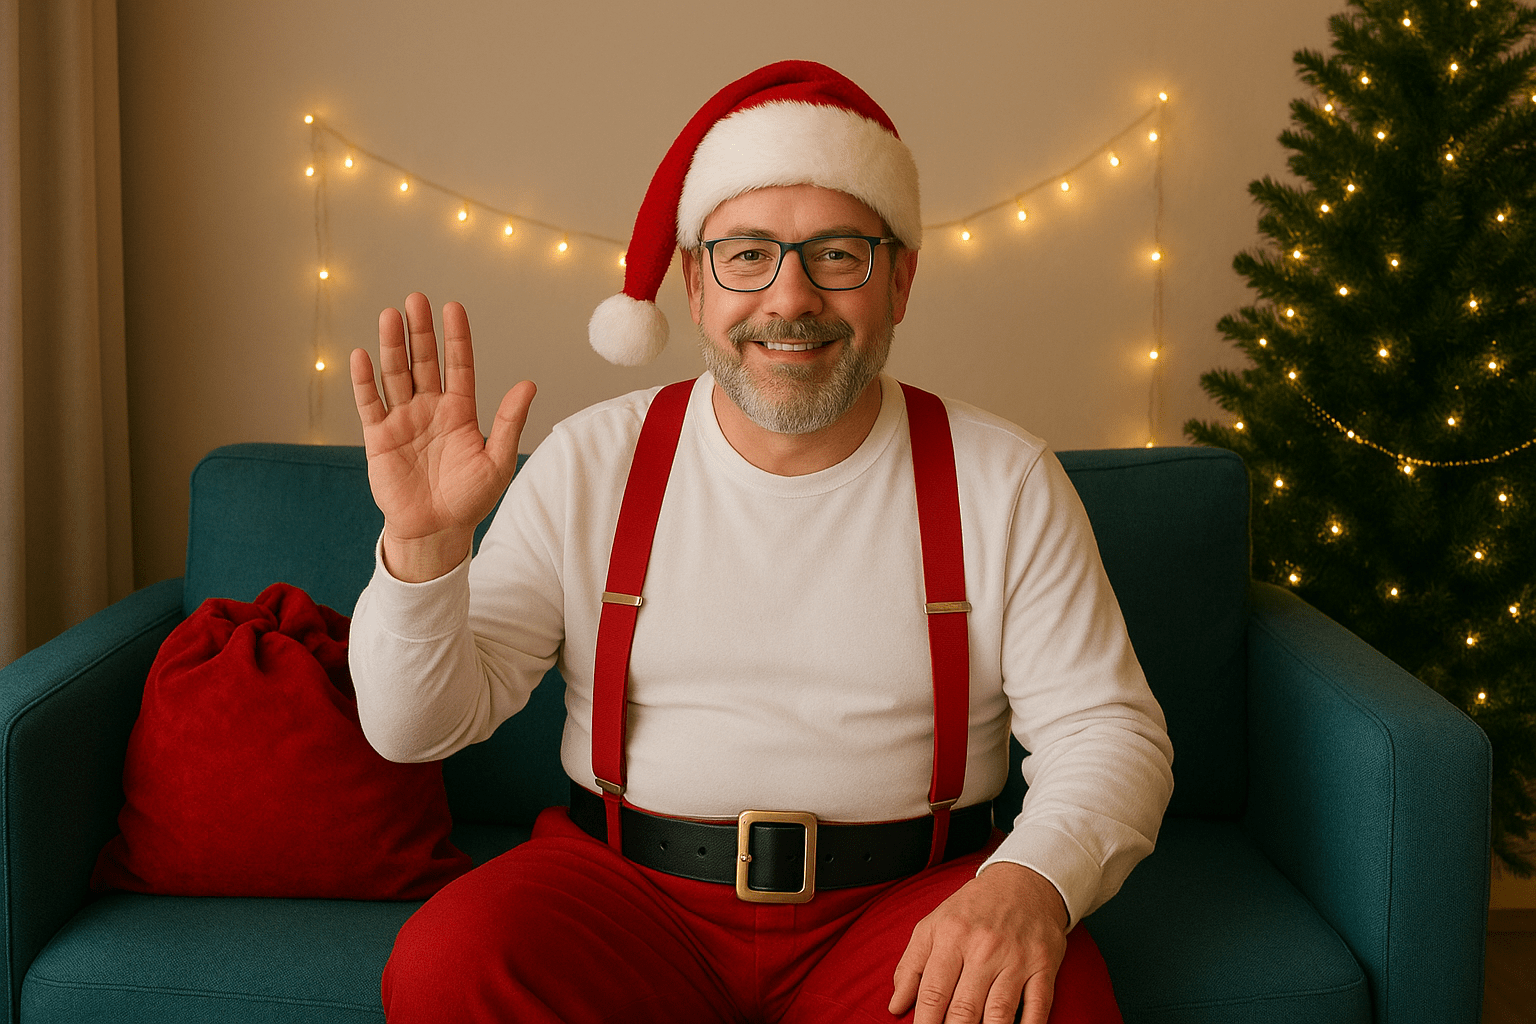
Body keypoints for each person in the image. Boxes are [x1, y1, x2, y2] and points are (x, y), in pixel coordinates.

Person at [347, 60, 1173, 1024]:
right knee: (448, 965)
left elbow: (1106, 732)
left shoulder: (1005, 478)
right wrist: (425, 545)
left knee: (1051, 1003)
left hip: (907, 911)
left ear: (900, 280)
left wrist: (1030, 884)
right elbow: (415, 731)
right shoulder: (591, 460)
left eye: (838, 255)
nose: (790, 299)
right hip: (626, 899)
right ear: (694, 284)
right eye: (747, 256)